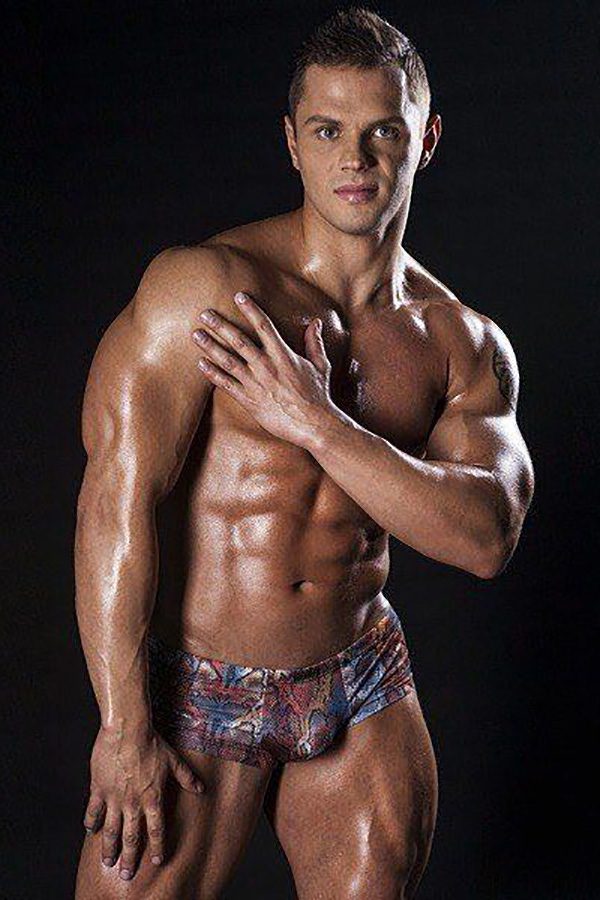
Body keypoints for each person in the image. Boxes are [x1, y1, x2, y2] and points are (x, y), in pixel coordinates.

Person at [74, 7, 534, 899]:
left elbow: (486, 539)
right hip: (199, 687)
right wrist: (124, 728)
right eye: (327, 131)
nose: (354, 159)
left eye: (382, 131)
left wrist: (317, 422)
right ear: (292, 142)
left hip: (358, 678)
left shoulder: (461, 342)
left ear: (426, 140)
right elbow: (113, 501)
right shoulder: (207, 290)